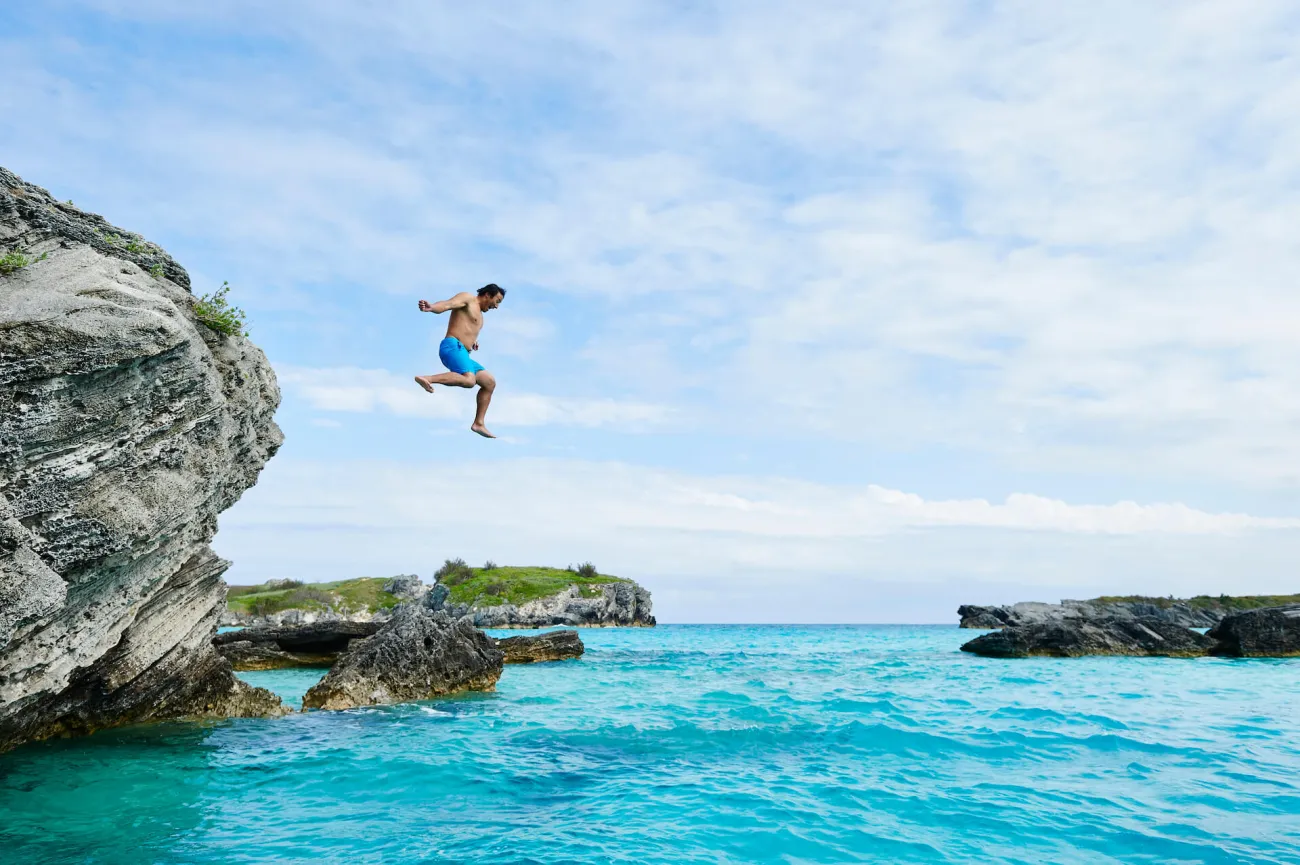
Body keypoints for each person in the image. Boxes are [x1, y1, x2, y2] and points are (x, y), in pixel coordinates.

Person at [413, 283, 506, 438]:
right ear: (488, 295)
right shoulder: (468, 299)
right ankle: (427, 378)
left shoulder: (481, 317)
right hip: (452, 346)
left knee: (489, 382)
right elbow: (447, 304)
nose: (496, 307)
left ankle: (478, 423)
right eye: (497, 301)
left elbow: (467, 329)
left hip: (463, 351)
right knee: (469, 380)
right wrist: (431, 307)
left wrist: (472, 342)